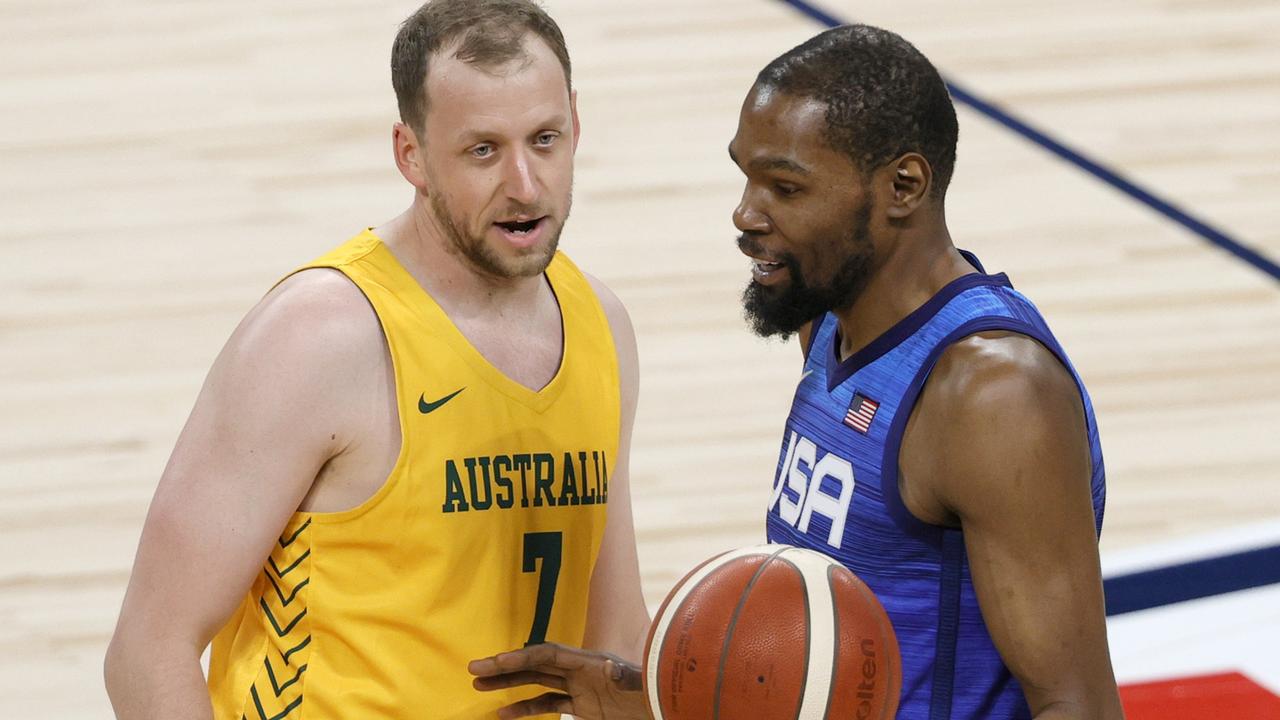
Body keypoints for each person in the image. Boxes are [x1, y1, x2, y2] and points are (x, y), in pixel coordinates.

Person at [469, 24, 1124, 720]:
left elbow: (1077, 705)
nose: (746, 214)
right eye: (745, 175)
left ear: (902, 186)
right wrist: (660, 699)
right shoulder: (832, 318)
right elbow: (833, 670)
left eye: (784, 186)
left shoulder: (990, 393)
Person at [103, 1, 649, 718]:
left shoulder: (600, 326)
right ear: (410, 154)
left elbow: (613, 642)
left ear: (576, 124)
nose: (524, 182)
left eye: (544, 139)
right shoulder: (318, 338)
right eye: (482, 150)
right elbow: (148, 651)